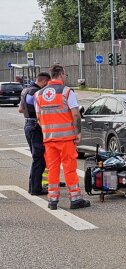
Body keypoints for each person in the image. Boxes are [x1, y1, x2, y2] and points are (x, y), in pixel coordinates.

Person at [34, 64, 90, 210]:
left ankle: (53, 200)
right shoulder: (66, 92)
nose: (65, 77)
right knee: (69, 169)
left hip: (49, 139)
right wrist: (77, 132)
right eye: (65, 75)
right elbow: (76, 114)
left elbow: (39, 117)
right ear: (61, 74)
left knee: (52, 169)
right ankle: (75, 199)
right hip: (65, 139)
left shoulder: (38, 95)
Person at [19, 72, 51, 195]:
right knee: (39, 159)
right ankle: (35, 188)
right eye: (47, 84)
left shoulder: (25, 91)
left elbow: (21, 109)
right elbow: (40, 110)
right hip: (35, 126)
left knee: (37, 158)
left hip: (28, 124)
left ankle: (34, 187)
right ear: (44, 82)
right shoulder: (36, 93)